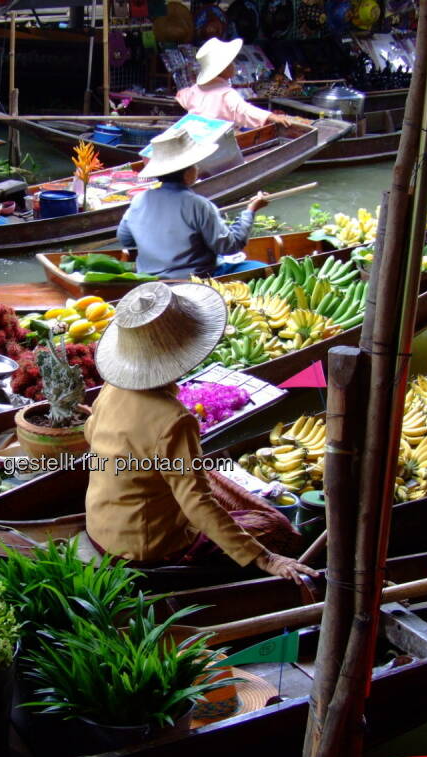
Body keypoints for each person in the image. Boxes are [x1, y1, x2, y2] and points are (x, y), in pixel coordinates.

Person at [84, 280, 318, 582]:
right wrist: (265, 558)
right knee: (275, 526)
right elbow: (197, 503)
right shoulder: (174, 420)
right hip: (144, 548)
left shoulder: (113, 387)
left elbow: (92, 434)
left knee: (209, 476)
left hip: (101, 528)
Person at [117, 127, 270, 278]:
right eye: (195, 165)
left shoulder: (138, 200)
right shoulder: (199, 205)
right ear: (189, 172)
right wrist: (250, 211)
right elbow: (229, 246)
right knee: (264, 268)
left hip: (150, 277)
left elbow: (125, 239)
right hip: (197, 277)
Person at [175, 37, 298, 130]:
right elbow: (243, 110)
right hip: (215, 140)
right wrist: (271, 117)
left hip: (194, 132)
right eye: (231, 63)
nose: (234, 65)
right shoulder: (226, 94)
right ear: (223, 69)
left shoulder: (195, 89)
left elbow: (181, 96)